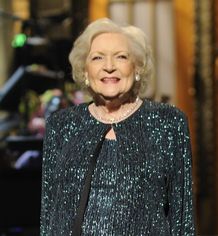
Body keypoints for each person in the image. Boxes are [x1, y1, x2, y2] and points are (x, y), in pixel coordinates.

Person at [40, 18, 196, 236]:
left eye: (121, 57)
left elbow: (182, 215)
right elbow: (49, 212)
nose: (109, 67)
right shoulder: (62, 125)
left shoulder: (169, 122)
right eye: (97, 58)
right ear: (85, 71)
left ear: (137, 68)